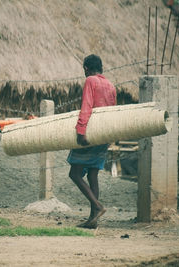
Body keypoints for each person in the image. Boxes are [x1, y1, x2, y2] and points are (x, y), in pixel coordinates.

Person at [67, 54, 117, 229]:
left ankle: (97, 206)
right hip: (103, 135)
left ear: (86, 68)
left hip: (89, 134)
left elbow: (86, 106)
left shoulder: (90, 81)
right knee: (93, 174)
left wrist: (81, 130)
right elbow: (112, 112)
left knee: (74, 173)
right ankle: (92, 220)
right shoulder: (110, 85)